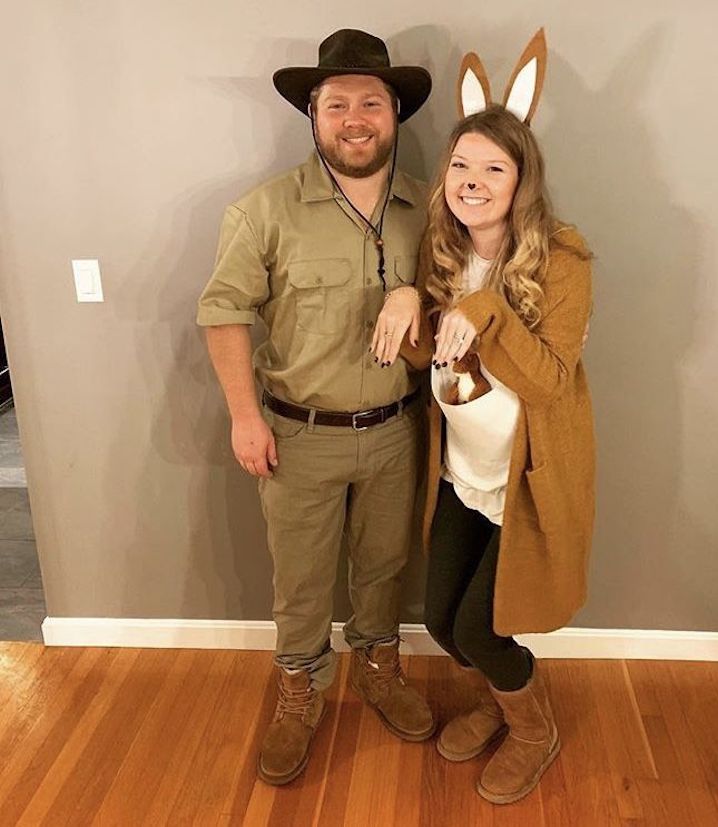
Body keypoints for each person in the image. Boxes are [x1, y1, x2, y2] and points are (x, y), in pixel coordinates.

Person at [196, 29, 436, 786]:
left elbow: (470, 292)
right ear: (313, 113)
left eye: (372, 102)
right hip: (299, 435)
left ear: (395, 114)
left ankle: (379, 666)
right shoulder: (263, 210)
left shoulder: (427, 210)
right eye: (338, 104)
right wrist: (243, 416)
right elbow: (224, 311)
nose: (355, 117)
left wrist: (414, 290)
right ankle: (298, 688)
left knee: (385, 566)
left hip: (398, 430)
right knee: (299, 578)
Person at [384, 103, 595, 804]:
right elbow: (425, 359)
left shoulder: (561, 257)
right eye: (460, 165)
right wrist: (407, 297)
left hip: (523, 481)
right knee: (443, 618)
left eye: (492, 168)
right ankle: (501, 698)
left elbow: (548, 381)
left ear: (522, 179)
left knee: (481, 624)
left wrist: (487, 311)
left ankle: (533, 728)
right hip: (459, 472)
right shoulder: (443, 247)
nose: (471, 180)